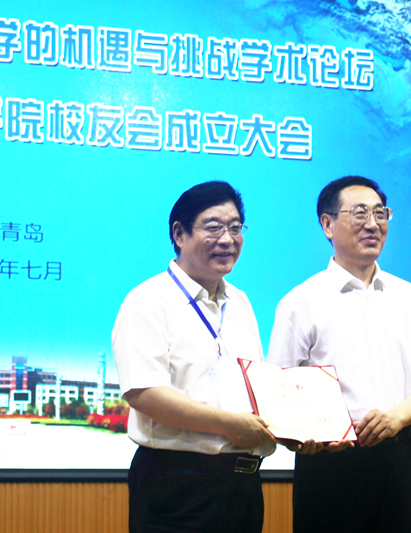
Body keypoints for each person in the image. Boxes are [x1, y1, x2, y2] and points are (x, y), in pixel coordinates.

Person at [267, 176, 411, 533]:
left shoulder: (407, 296)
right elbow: (278, 393)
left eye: (380, 214)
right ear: (327, 224)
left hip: (397, 457)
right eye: (359, 213)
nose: (373, 224)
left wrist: (396, 419)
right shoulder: (300, 302)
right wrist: (302, 435)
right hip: (330, 464)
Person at [112, 181, 276, 533]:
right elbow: (145, 393)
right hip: (177, 485)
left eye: (235, 227)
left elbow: (256, 389)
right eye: (213, 227)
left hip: (243, 485)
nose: (227, 239)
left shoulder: (241, 302)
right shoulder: (147, 300)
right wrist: (228, 424)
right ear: (179, 234)